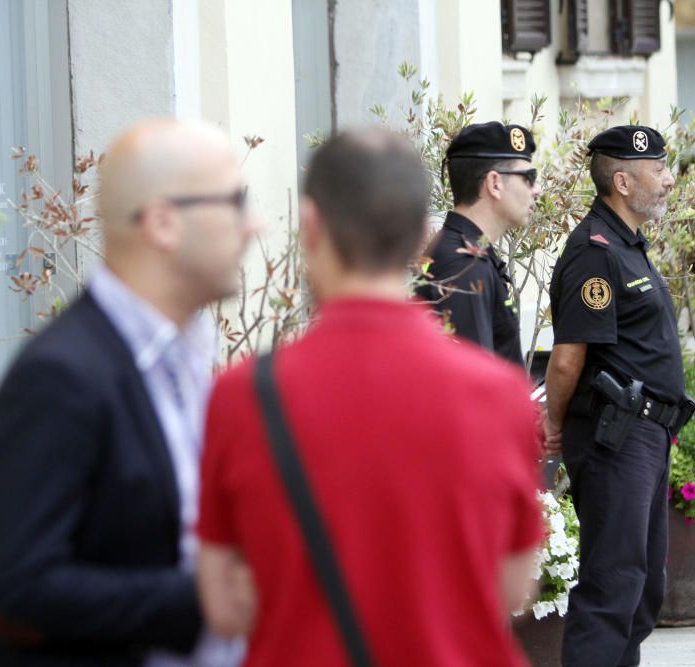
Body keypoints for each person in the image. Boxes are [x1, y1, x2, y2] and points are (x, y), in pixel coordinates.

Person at [195, 129, 544, 666]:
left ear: (311, 227)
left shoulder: (243, 396)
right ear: (417, 240)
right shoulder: (501, 397)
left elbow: (222, 600)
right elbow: (512, 587)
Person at [0, 119, 261, 666]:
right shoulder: (60, 378)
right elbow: (18, 587)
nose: (256, 225)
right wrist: (201, 599)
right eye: (234, 202)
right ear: (163, 223)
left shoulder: (190, 357)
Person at [543, 125, 693, 667]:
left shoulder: (629, 246)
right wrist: (554, 425)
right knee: (613, 586)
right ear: (623, 181)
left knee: (643, 589)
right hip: (616, 438)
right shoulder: (594, 251)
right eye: (659, 169)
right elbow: (567, 357)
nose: (669, 179)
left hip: (648, 435)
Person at [415, 121, 542, 366]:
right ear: (494, 183)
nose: (537, 189)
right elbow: (472, 385)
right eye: (529, 177)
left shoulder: (465, 254)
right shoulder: (465, 266)